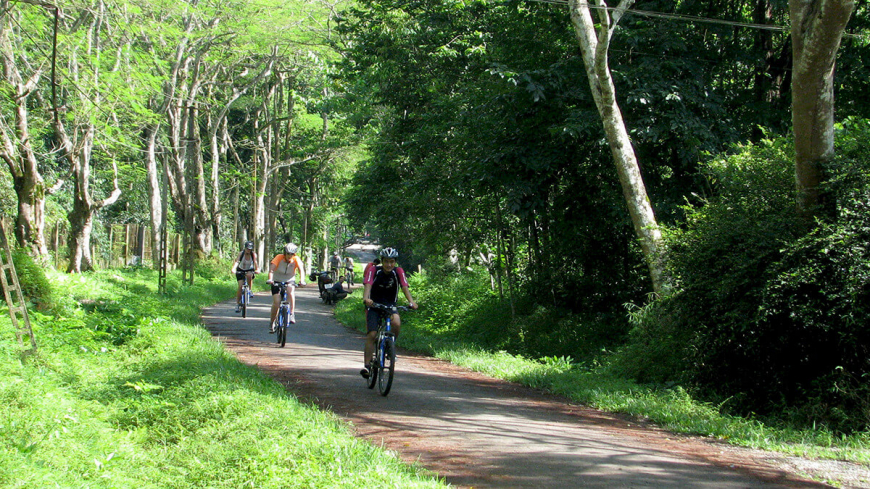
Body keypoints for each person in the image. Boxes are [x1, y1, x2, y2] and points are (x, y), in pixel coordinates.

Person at [360, 248, 417, 379]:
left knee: (396, 322)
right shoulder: (374, 270)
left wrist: (411, 302)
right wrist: (366, 298)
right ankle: (367, 366)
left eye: (392, 262)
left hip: (390, 305)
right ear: (382, 261)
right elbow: (367, 285)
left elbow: (404, 287)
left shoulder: (398, 272)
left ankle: (389, 348)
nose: (389, 265)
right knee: (372, 334)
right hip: (373, 305)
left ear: (395, 262)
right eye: (386, 261)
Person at [266, 243, 306, 332]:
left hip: (289, 280)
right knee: (276, 302)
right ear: (285, 253)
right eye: (288, 253)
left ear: (294, 254)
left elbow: (301, 270)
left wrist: (302, 280)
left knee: (290, 291)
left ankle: (291, 313)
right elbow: (271, 270)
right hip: (276, 280)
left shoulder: (296, 259)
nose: (289, 256)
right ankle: (272, 322)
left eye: (291, 254)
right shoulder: (279, 257)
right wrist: (270, 279)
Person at [231, 241, 259, 313]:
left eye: (250, 249)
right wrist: (234, 268)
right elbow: (237, 261)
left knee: (249, 275)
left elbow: (255, 262)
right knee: (240, 286)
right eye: (247, 249)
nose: (248, 250)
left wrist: (257, 269)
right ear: (245, 248)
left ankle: (249, 290)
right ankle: (237, 304)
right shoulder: (241, 253)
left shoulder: (253, 255)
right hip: (241, 270)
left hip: (249, 269)